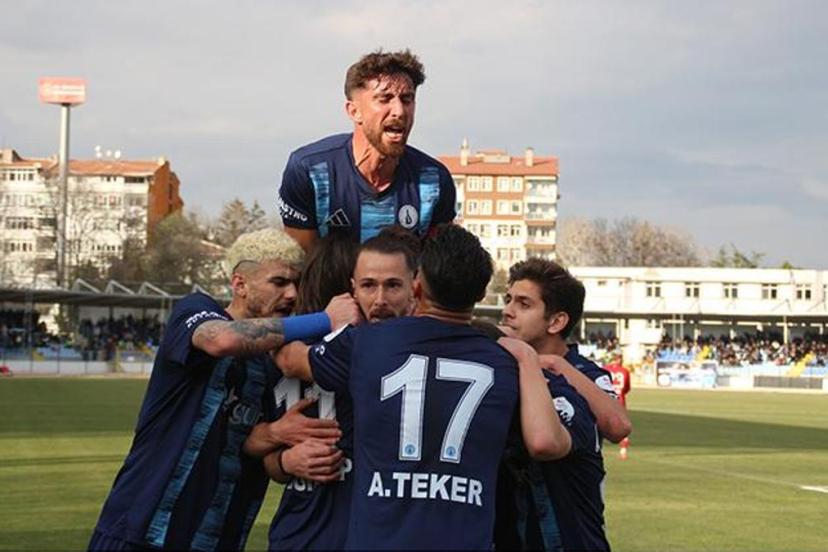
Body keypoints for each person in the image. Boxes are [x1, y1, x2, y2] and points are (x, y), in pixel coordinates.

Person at [277, 225, 569, 549]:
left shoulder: (365, 343)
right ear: (481, 294)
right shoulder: (505, 361)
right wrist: (527, 358)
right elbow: (546, 442)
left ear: (416, 285)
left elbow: (289, 358)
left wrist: (321, 320)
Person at [88, 229, 359, 551]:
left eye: (296, 283)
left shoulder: (277, 363)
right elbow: (222, 340)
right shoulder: (196, 311)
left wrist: (278, 440)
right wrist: (325, 319)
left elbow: (250, 444)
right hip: (140, 529)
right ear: (240, 284)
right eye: (279, 282)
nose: (291, 294)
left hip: (217, 539)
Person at [265, 226, 420, 550]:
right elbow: (260, 453)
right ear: (350, 290)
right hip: (309, 530)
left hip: (314, 532)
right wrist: (285, 459)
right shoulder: (374, 352)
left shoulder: (286, 352)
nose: (378, 298)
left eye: (391, 285)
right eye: (368, 285)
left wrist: (280, 457)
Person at [277, 49, 456, 252]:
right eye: (385, 99)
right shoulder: (309, 171)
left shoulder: (435, 180)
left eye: (407, 99)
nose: (399, 111)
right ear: (354, 111)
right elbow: (301, 264)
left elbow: (439, 266)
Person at [502, 258, 632, 444]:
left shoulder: (586, 374)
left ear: (556, 322)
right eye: (508, 300)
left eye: (524, 304)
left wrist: (553, 363)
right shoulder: (500, 360)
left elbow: (618, 427)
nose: (507, 311)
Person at [605, 355, 632, 459]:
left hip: (606, 399)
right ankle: (623, 450)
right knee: (623, 424)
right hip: (620, 400)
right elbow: (627, 388)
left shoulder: (605, 369)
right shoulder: (624, 371)